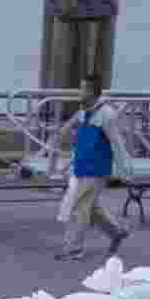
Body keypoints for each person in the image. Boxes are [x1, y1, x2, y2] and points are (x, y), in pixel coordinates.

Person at [52, 73, 133, 262]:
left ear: (91, 92)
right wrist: (68, 160)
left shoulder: (107, 115)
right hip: (82, 167)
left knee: (79, 207)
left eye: (82, 89)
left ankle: (73, 249)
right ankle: (116, 232)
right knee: (91, 208)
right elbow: (78, 138)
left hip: (96, 170)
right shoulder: (83, 112)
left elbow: (117, 144)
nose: (79, 92)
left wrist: (125, 171)